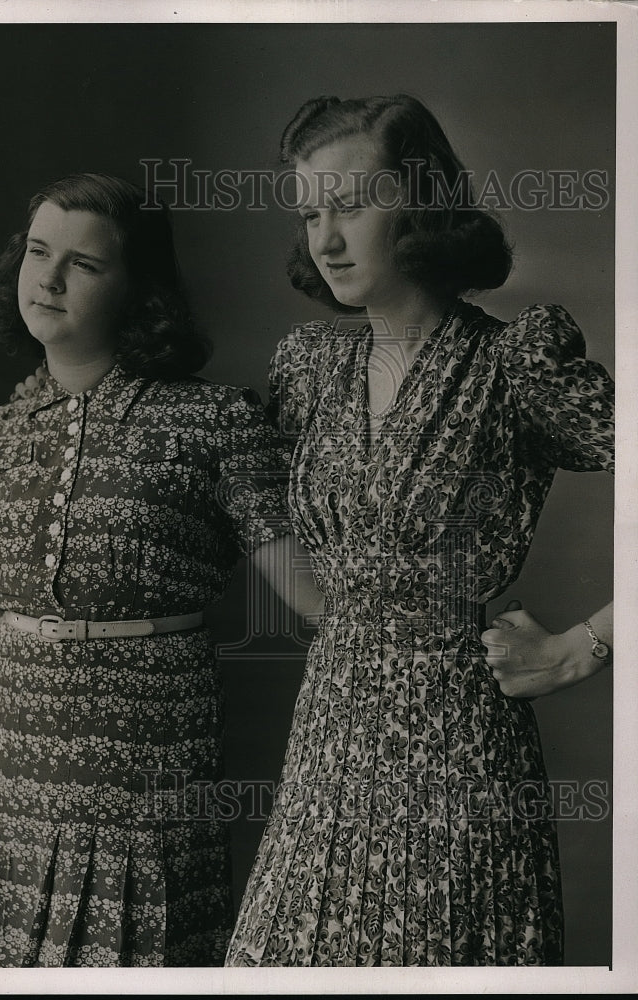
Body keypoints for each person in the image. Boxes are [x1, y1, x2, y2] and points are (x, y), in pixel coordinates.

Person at [223, 94, 614, 966]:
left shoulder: (514, 363)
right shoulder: (309, 364)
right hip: (330, 732)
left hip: (462, 754)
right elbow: (246, 486)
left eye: (351, 206)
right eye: (310, 211)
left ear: (423, 203)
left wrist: (585, 645)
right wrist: (335, 612)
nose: (325, 240)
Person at [0, 173, 313, 967]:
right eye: (37, 252)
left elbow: (313, 596)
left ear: (139, 291)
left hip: (148, 784)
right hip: (8, 793)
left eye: (83, 264)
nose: (47, 279)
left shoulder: (213, 422)